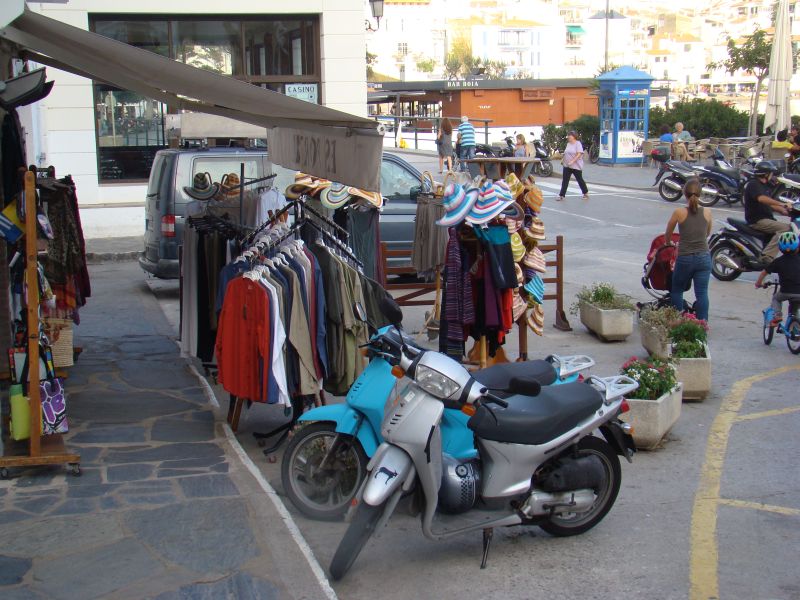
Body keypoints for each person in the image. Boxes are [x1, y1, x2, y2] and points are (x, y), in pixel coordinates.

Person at [664, 178, 713, 321]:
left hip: (685, 257)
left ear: (684, 194)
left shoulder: (679, 212)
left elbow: (668, 232)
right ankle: (702, 324)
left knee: (677, 290)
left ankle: (679, 321)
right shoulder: (707, 212)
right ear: (700, 193)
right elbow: (707, 233)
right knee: (702, 293)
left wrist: (668, 242)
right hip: (704, 257)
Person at [743, 162, 791, 262]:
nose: (772, 176)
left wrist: (784, 210)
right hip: (758, 220)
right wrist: (781, 204)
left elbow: (770, 204)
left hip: (767, 219)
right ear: (766, 174)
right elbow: (762, 199)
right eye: (771, 173)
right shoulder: (753, 184)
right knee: (786, 229)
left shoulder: (765, 186)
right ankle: (767, 256)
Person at [754, 231, 800, 326]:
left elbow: (764, 273)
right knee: (796, 305)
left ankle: (777, 315)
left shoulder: (778, 261)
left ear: (779, 248)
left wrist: (758, 283)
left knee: (776, 299)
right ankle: (795, 327)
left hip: (785, 292)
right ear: (797, 248)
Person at [557, 130, 589, 201]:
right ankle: (562, 195)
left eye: (570, 136)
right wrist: (563, 160)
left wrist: (572, 161)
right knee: (565, 180)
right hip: (567, 165)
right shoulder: (568, 144)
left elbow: (579, 154)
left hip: (576, 166)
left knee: (579, 179)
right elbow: (566, 153)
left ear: (574, 137)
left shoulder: (578, 144)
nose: (568, 137)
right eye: (568, 136)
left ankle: (585, 193)